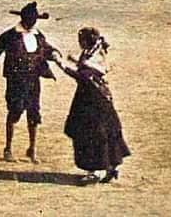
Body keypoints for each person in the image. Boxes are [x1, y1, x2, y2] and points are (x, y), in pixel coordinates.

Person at [0, 2, 61, 163]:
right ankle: (8, 148)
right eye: (30, 21)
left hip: (33, 80)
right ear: (23, 20)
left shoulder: (38, 35)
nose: (32, 23)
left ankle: (32, 148)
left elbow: (46, 49)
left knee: (34, 113)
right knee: (15, 112)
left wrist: (55, 53)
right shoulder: (10, 36)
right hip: (16, 80)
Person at [53, 27, 131, 185]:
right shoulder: (95, 51)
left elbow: (81, 75)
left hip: (91, 101)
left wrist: (60, 63)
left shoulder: (93, 57)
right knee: (106, 131)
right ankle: (110, 167)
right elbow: (87, 67)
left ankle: (97, 170)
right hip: (99, 98)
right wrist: (74, 61)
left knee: (92, 133)